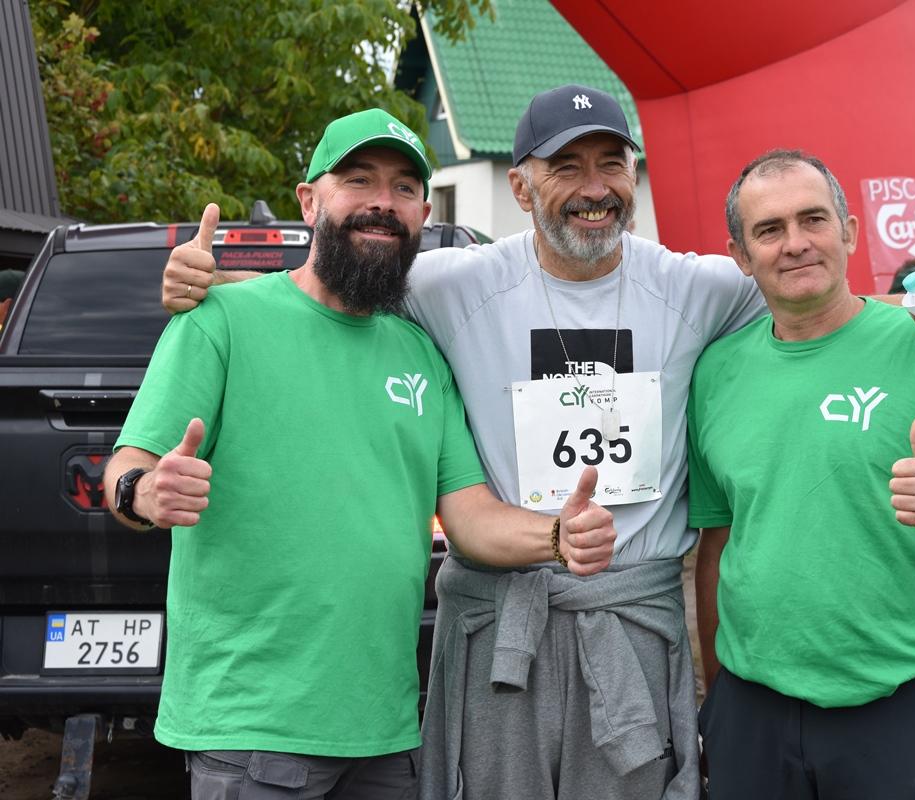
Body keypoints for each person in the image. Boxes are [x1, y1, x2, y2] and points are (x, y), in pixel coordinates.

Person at [161, 86, 915, 800]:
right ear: (521, 186)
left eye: (611, 163)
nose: (593, 187)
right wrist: (218, 283)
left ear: (634, 176)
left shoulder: (702, 286)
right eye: (565, 166)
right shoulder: (449, 283)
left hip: (631, 620)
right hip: (504, 624)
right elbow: (332, 282)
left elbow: (819, 295)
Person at [105, 109, 617, 800]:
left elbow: (468, 515)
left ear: (424, 214)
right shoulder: (220, 322)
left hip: (385, 733)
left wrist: (557, 536)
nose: (383, 201)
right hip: (252, 729)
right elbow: (127, 465)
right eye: (358, 180)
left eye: (404, 187)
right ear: (309, 201)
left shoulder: (421, 352)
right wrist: (143, 492)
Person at [688, 149, 915, 799]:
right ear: (741, 255)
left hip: (897, 707)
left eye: (813, 219)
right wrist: (717, 700)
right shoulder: (715, 373)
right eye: (769, 229)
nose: (795, 243)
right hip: (750, 711)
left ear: (847, 232)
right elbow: (719, 541)